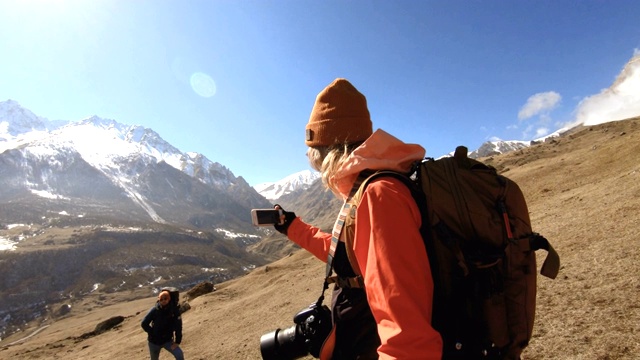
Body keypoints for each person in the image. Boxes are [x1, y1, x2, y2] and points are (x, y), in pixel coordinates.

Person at [274, 78, 443, 359]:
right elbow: (350, 255)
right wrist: (292, 227)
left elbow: (407, 336)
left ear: (326, 151)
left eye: (312, 151)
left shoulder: (379, 195)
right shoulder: (366, 189)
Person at [141, 290, 184, 360]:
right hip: (154, 342)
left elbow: (178, 327)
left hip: (167, 340)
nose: (163, 301)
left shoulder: (174, 311)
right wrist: (152, 333)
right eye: (161, 299)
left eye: (165, 298)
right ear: (159, 300)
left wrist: (177, 342)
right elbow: (144, 323)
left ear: (169, 299)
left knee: (179, 354)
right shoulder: (155, 310)